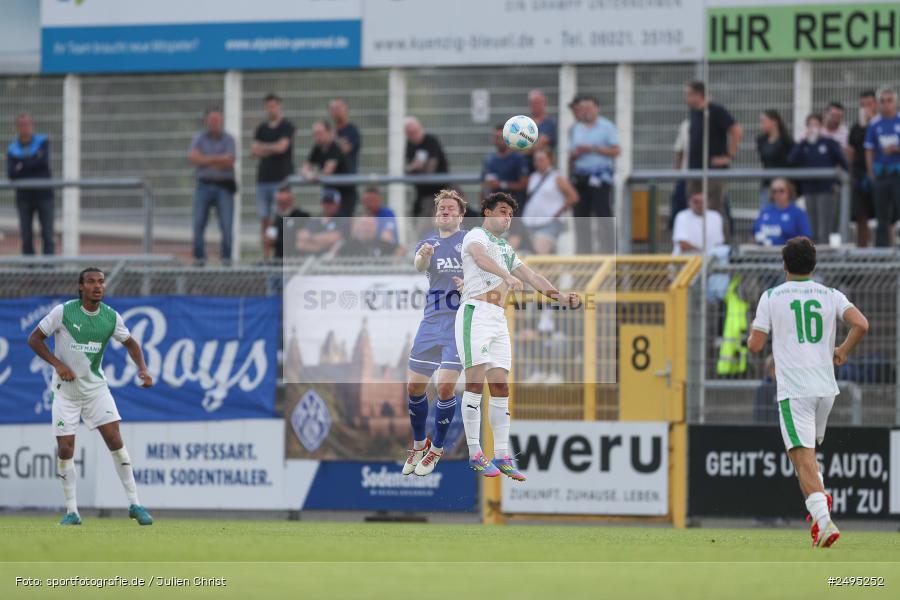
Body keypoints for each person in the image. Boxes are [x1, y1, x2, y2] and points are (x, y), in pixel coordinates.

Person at [748, 237, 869, 548]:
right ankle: (818, 512)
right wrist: (842, 350)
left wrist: (752, 338)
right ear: (813, 266)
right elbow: (861, 324)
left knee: (801, 461)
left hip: (795, 390)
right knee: (807, 459)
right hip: (825, 390)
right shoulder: (830, 294)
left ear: (785, 265)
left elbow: (756, 345)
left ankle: (825, 521)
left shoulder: (772, 296)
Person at [455, 192, 580, 479]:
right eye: (501, 211)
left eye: (510, 214)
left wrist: (558, 296)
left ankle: (501, 455)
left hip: (497, 318)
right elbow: (479, 257)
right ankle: (475, 451)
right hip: (476, 311)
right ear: (487, 212)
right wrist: (507, 276)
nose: (507, 217)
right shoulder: (476, 235)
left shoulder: (506, 248)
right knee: (474, 383)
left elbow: (533, 276)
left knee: (501, 387)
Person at [26, 267, 155, 526]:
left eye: (101, 282)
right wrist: (57, 365)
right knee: (65, 449)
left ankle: (135, 504)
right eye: (91, 282)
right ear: (81, 287)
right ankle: (72, 511)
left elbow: (131, 343)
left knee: (115, 441)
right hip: (66, 394)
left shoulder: (111, 317)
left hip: (95, 391)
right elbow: (34, 339)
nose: (97, 286)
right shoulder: (63, 312)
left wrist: (142, 368)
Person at [402, 190, 469, 477]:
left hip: (457, 323)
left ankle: (437, 449)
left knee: (445, 387)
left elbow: (487, 273)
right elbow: (419, 266)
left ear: (461, 215)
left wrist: (470, 285)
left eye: (451, 208)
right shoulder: (427, 243)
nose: (445, 212)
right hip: (431, 323)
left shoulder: (470, 241)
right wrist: (423, 256)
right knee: (414, 388)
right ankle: (419, 445)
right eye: (441, 208)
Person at [684, 80, 743, 230]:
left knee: (714, 212)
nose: (686, 97)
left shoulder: (715, 110)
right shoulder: (694, 113)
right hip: (695, 171)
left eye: (689, 94)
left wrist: (729, 156)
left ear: (699, 95)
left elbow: (736, 130)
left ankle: (721, 247)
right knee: (694, 212)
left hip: (712, 173)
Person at [569, 95, 620, 254]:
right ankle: (584, 253)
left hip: (600, 178)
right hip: (580, 178)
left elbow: (616, 150)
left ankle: (609, 252)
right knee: (581, 218)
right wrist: (576, 153)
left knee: (603, 216)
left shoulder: (607, 127)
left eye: (589, 108)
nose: (586, 112)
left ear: (597, 108)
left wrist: (593, 149)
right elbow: (571, 153)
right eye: (582, 109)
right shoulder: (576, 128)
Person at [787, 114, 848, 244]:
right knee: (811, 228)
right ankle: (812, 255)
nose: (813, 128)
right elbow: (791, 160)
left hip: (826, 190)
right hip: (809, 190)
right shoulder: (804, 145)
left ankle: (824, 257)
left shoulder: (829, 143)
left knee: (824, 228)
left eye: (816, 125)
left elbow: (843, 163)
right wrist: (803, 141)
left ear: (821, 127)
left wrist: (837, 183)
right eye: (810, 125)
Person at [188, 109, 236, 266]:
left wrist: (205, 159)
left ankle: (226, 263)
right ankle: (200, 262)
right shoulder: (198, 138)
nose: (214, 123)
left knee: (227, 228)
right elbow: (193, 158)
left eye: (217, 120)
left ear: (221, 121)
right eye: (211, 120)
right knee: (198, 226)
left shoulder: (229, 139)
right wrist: (218, 159)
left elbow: (229, 161)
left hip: (224, 188)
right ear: (206, 121)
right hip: (204, 186)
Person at [251, 93, 295, 259]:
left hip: (281, 181)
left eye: (273, 105)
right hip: (263, 180)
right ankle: (266, 257)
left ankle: (283, 255)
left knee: (281, 218)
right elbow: (254, 150)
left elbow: (282, 148)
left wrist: (264, 148)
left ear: (279, 106)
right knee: (265, 220)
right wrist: (272, 147)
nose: (270, 109)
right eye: (268, 106)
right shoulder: (261, 128)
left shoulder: (287, 126)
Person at [7, 112, 54, 255]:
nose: (25, 128)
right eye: (21, 125)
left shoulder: (43, 141)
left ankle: (49, 270)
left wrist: (22, 164)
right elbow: (12, 174)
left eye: (27, 124)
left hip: (44, 195)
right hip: (24, 197)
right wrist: (34, 161)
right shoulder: (12, 148)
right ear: (17, 127)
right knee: (26, 235)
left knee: (47, 233)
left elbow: (43, 163)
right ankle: (29, 270)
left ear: (32, 125)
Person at [521, 148, 578, 254]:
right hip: (531, 222)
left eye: (541, 160)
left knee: (540, 251)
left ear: (550, 160)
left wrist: (558, 212)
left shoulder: (557, 177)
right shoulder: (533, 177)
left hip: (549, 222)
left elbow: (573, 197)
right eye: (536, 160)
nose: (538, 163)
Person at [865, 87, 900, 247]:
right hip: (881, 175)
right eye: (883, 101)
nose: (886, 104)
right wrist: (871, 172)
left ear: (896, 102)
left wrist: (896, 148)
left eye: (889, 100)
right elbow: (869, 149)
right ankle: (882, 253)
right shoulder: (874, 124)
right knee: (881, 216)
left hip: (898, 174)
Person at [302, 120, 356, 218]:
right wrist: (308, 174)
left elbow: (327, 171)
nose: (317, 137)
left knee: (342, 223)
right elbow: (305, 168)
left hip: (345, 194)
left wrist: (313, 174)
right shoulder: (317, 148)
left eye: (320, 133)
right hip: (329, 192)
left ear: (329, 133)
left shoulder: (335, 147)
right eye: (315, 134)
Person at [847, 90, 878, 247]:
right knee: (861, 216)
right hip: (860, 176)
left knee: (885, 216)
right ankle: (862, 251)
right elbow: (851, 151)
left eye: (869, 104)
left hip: (880, 175)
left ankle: (885, 250)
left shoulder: (881, 124)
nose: (865, 108)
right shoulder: (856, 128)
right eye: (862, 105)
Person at [404, 117, 449, 218]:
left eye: (414, 131)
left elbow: (431, 169)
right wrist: (413, 167)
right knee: (416, 217)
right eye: (409, 133)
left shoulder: (431, 141)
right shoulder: (409, 145)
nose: (413, 135)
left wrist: (417, 167)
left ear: (420, 128)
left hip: (439, 189)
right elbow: (406, 169)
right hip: (422, 192)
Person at [753, 178, 812, 246]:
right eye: (774, 191)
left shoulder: (798, 213)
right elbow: (754, 234)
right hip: (762, 253)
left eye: (781, 190)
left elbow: (806, 239)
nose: (778, 194)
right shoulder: (765, 211)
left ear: (789, 192)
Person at [482, 123, 529, 208]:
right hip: (494, 208)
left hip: (514, 207)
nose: (497, 140)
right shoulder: (489, 159)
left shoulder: (518, 158)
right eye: (495, 137)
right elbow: (484, 185)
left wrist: (501, 184)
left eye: (500, 138)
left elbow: (524, 184)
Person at [756, 110, 794, 207]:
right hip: (767, 184)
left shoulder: (787, 141)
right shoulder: (761, 140)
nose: (761, 124)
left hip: (783, 185)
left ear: (774, 122)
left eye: (764, 121)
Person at [295, 188, 348, 256]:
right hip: (311, 260)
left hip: (334, 261)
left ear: (338, 204)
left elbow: (335, 238)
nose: (327, 205)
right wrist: (325, 244)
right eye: (325, 202)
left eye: (331, 202)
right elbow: (300, 244)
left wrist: (311, 237)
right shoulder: (314, 221)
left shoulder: (343, 219)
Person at [265, 185, 309, 260]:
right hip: (279, 259)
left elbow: (303, 241)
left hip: (296, 259)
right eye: (280, 203)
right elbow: (269, 240)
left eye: (284, 202)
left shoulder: (302, 215)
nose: (282, 206)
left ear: (291, 200)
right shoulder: (277, 218)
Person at [337, 216, 401, 258]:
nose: (368, 228)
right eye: (365, 225)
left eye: (371, 225)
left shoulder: (381, 244)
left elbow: (401, 249)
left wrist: (396, 260)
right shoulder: (348, 246)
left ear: (376, 228)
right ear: (359, 227)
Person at [525, 89, 557, 171]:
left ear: (544, 104)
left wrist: (521, 148)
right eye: (533, 103)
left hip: (543, 170)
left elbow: (538, 146)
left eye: (538, 102)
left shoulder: (549, 123)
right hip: (525, 168)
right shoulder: (525, 123)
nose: (535, 105)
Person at [329, 98, 362, 175]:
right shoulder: (330, 131)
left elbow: (346, 149)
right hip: (330, 179)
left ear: (346, 110)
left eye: (339, 108)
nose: (336, 111)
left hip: (348, 178)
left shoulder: (353, 130)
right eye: (333, 109)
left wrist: (333, 138)